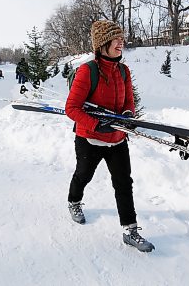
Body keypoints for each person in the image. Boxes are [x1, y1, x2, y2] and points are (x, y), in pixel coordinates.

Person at [64, 20, 155, 253]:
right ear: (103, 43)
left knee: (124, 183)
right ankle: (74, 201)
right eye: (116, 39)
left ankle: (130, 230)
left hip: (117, 139)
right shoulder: (87, 71)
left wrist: (127, 115)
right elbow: (72, 108)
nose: (121, 42)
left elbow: (129, 102)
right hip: (89, 140)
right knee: (83, 175)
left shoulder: (123, 71)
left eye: (121, 38)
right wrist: (96, 125)